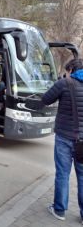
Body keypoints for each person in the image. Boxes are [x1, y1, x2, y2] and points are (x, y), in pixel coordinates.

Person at [42, 58, 83, 222]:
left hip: (64, 138)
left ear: (71, 70)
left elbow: (45, 99)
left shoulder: (64, 83)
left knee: (62, 174)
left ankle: (59, 210)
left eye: (67, 71)